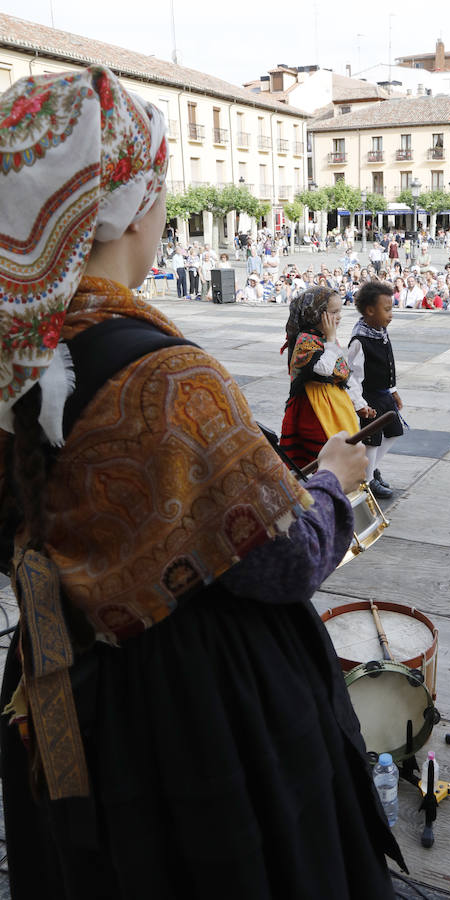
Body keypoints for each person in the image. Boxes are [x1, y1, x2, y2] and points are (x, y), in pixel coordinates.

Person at [0, 67, 404, 900]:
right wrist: (332, 479)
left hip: (51, 686)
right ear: (127, 205)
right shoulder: (172, 379)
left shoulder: (13, 360)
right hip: (186, 711)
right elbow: (287, 560)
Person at [279, 287, 360, 469]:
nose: (338, 316)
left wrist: (359, 403)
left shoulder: (326, 338)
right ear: (315, 314)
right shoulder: (306, 339)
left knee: (342, 447)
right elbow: (323, 369)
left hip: (333, 404)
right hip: (313, 408)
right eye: (333, 312)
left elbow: (343, 373)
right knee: (322, 455)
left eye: (340, 311)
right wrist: (331, 341)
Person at [348, 282, 404, 500]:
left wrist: (394, 389)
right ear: (370, 311)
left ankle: (370, 469)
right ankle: (368, 480)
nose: (391, 315)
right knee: (372, 440)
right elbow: (352, 376)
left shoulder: (381, 331)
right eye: (387, 309)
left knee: (394, 432)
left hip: (384, 394)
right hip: (369, 397)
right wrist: (360, 404)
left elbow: (388, 363)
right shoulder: (360, 340)